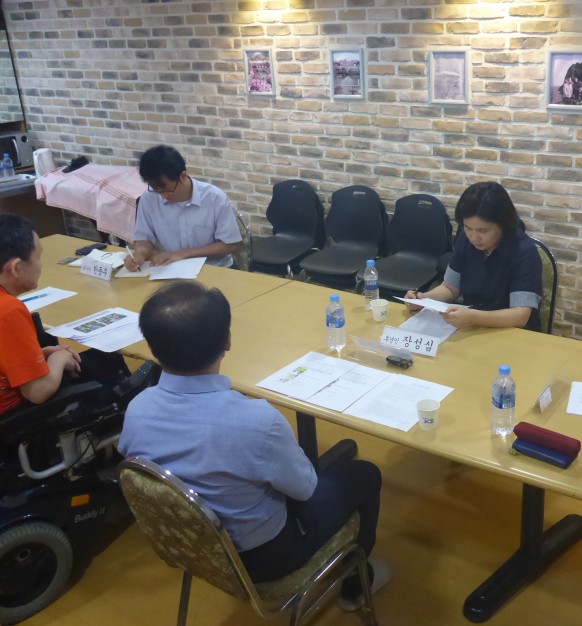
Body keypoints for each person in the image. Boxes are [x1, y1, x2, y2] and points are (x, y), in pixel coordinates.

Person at [117, 282, 390, 610]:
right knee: (366, 474)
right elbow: (304, 489)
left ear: (151, 346)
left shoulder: (138, 409)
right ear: (228, 340)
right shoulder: (256, 421)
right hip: (267, 558)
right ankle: (356, 585)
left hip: (190, 547)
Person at [0, 215, 128, 415]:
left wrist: (39, 355)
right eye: (38, 257)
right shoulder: (8, 310)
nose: (41, 265)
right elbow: (37, 392)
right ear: (16, 268)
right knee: (107, 365)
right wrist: (59, 359)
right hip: (14, 415)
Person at [405, 181, 543, 331]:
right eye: (468, 228)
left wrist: (473, 317)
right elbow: (450, 287)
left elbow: (520, 315)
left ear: (503, 224)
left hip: (512, 332)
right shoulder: (465, 240)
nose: (474, 237)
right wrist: (423, 299)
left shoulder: (524, 251)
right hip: (473, 327)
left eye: (483, 231)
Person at [124, 145, 241, 271]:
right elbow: (144, 239)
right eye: (156, 190)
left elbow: (230, 245)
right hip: (170, 269)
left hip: (214, 269)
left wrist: (182, 254)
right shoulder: (149, 198)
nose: (162, 196)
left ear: (183, 176)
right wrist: (140, 254)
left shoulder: (214, 198)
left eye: (167, 190)